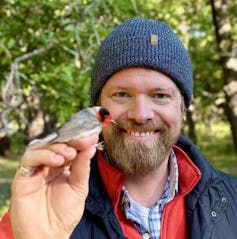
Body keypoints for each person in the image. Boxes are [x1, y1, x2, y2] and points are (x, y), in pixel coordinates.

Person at [0, 17, 237, 239]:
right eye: (121, 94)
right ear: (98, 105)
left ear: (182, 109)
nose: (140, 114)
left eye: (160, 95)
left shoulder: (232, 200)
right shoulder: (44, 204)